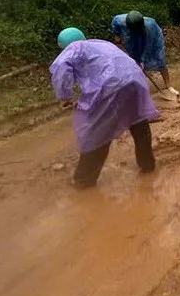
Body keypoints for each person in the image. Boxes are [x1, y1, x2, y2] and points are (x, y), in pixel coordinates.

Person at [50, 27, 160, 188]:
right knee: (138, 122)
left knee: (98, 131)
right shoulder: (101, 44)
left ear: (64, 45)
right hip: (135, 80)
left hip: (110, 84)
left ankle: (84, 180)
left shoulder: (73, 48)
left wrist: (65, 97)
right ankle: (148, 165)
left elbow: (61, 67)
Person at [112, 10, 178, 98]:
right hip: (130, 37)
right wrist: (117, 36)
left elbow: (146, 47)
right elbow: (115, 27)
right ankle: (140, 87)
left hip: (154, 39)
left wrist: (141, 60)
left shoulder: (149, 27)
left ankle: (168, 86)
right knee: (133, 62)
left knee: (160, 59)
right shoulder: (119, 20)